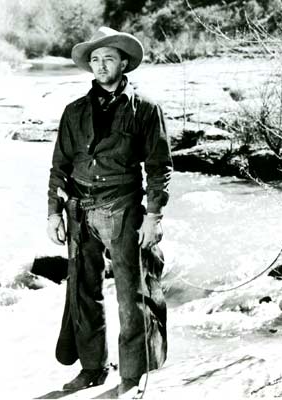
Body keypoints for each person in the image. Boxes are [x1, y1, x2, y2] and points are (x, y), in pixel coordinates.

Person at [46, 26, 172, 396]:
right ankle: (92, 369)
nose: (101, 66)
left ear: (124, 62)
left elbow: (160, 167)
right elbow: (59, 167)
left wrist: (154, 216)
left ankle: (131, 377)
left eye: (109, 58)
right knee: (83, 294)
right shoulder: (74, 112)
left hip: (125, 209)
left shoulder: (146, 110)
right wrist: (53, 213)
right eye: (95, 60)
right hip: (79, 212)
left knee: (131, 296)